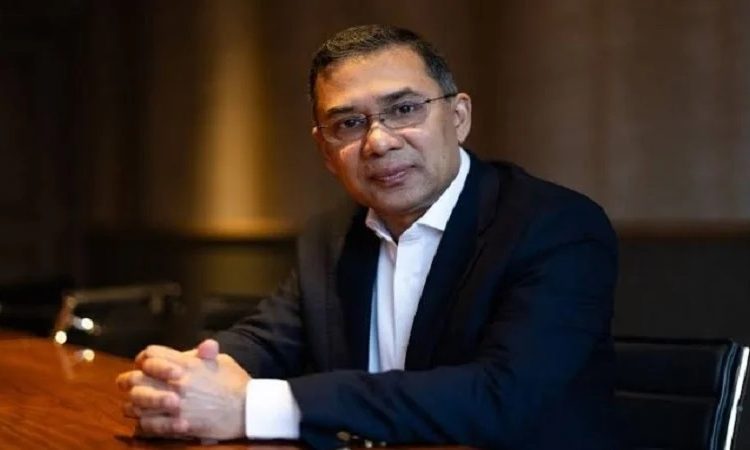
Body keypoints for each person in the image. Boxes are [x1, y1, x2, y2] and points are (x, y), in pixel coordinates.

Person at [116, 24, 621, 449]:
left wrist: (255, 406)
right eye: (349, 123)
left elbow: (500, 397)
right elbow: (267, 340)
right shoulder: (332, 235)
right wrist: (184, 380)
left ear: (458, 117)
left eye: (404, 110)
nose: (378, 142)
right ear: (325, 150)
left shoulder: (555, 226)